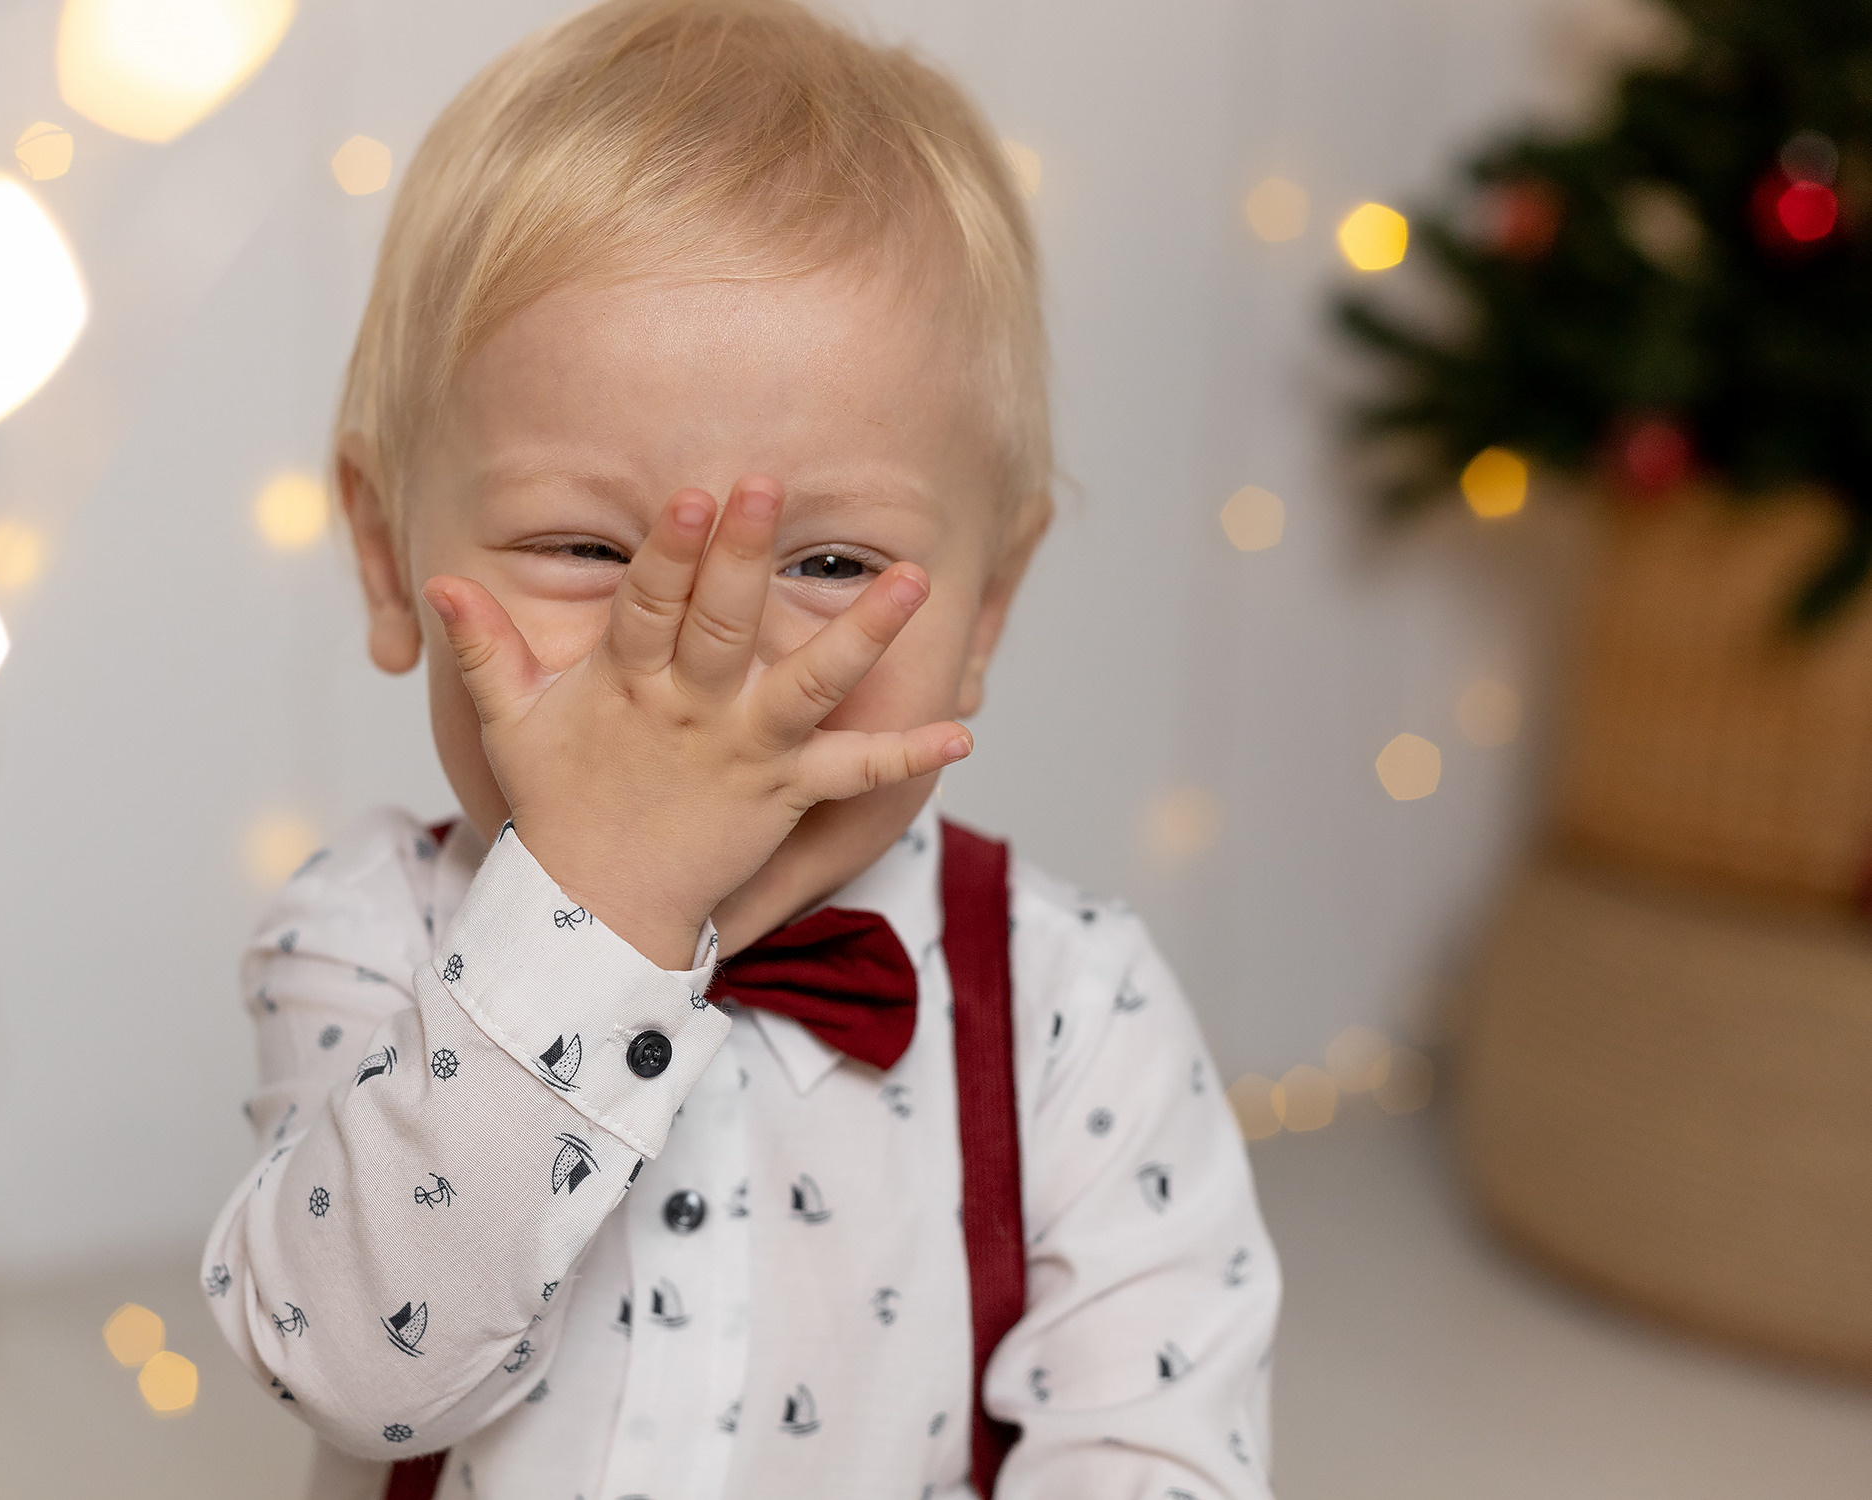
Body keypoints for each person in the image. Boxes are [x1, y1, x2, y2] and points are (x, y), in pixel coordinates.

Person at [202, 2, 1280, 1495]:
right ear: (387, 556)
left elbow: (1150, 1452)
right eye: (586, 547)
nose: (705, 656)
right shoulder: (364, 939)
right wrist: (597, 911)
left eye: (832, 567)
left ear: (989, 606)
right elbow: (357, 1377)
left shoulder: (1069, 1008)